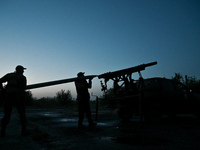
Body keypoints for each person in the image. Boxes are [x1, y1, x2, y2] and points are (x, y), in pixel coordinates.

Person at [0, 65, 28, 137]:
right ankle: (23, 131)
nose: (23, 71)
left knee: (7, 114)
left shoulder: (9, 75)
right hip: (18, 97)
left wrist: (3, 90)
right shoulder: (23, 77)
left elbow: (0, 81)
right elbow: (24, 87)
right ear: (20, 70)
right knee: (22, 114)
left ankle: (3, 131)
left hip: (8, 96)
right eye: (22, 70)